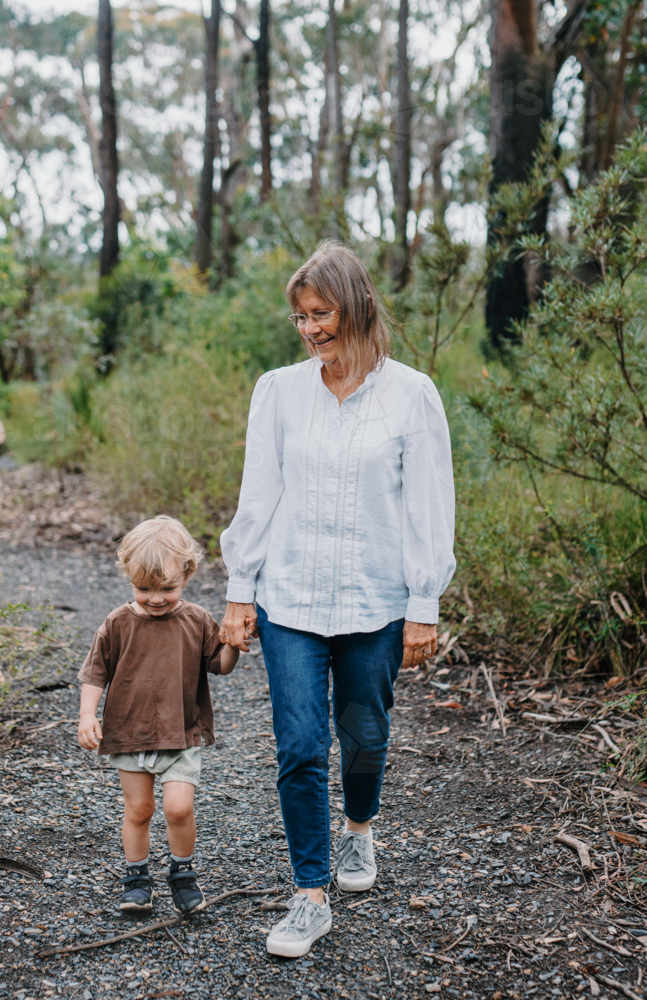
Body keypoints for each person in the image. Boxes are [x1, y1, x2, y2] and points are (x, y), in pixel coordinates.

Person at [220, 241, 456, 957]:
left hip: (374, 602)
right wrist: (239, 593)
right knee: (297, 746)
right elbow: (258, 494)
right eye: (299, 317)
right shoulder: (278, 391)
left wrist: (424, 603)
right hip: (288, 598)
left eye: (319, 313)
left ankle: (359, 830)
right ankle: (309, 895)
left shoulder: (410, 394)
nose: (309, 329)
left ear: (353, 307)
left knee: (364, 736)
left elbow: (428, 505)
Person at [78, 515, 240, 916]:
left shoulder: (198, 620)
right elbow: (95, 673)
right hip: (129, 732)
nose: (154, 598)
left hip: (181, 734)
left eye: (166, 588)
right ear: (128, 577)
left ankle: (182, 873)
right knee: (139, 810)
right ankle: (136, 879)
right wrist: (87, 715)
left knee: (178, 808)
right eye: (143, 588)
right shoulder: (117, 623)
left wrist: (234, 646)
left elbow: (219, 665)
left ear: (188, 574)